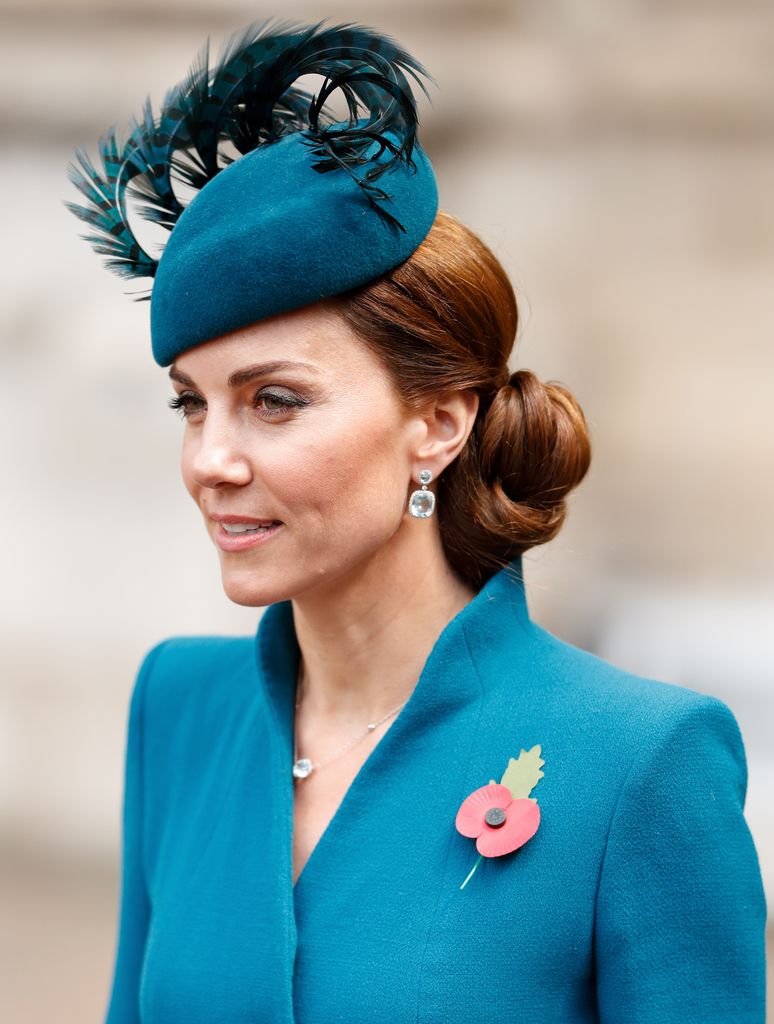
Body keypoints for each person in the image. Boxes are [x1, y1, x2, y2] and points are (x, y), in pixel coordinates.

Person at [64, 18, 767, 1024]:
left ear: (436, 423)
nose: (211, 460)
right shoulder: (179, 707)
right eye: (192, 402)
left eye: (274, 400)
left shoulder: (639, 763)